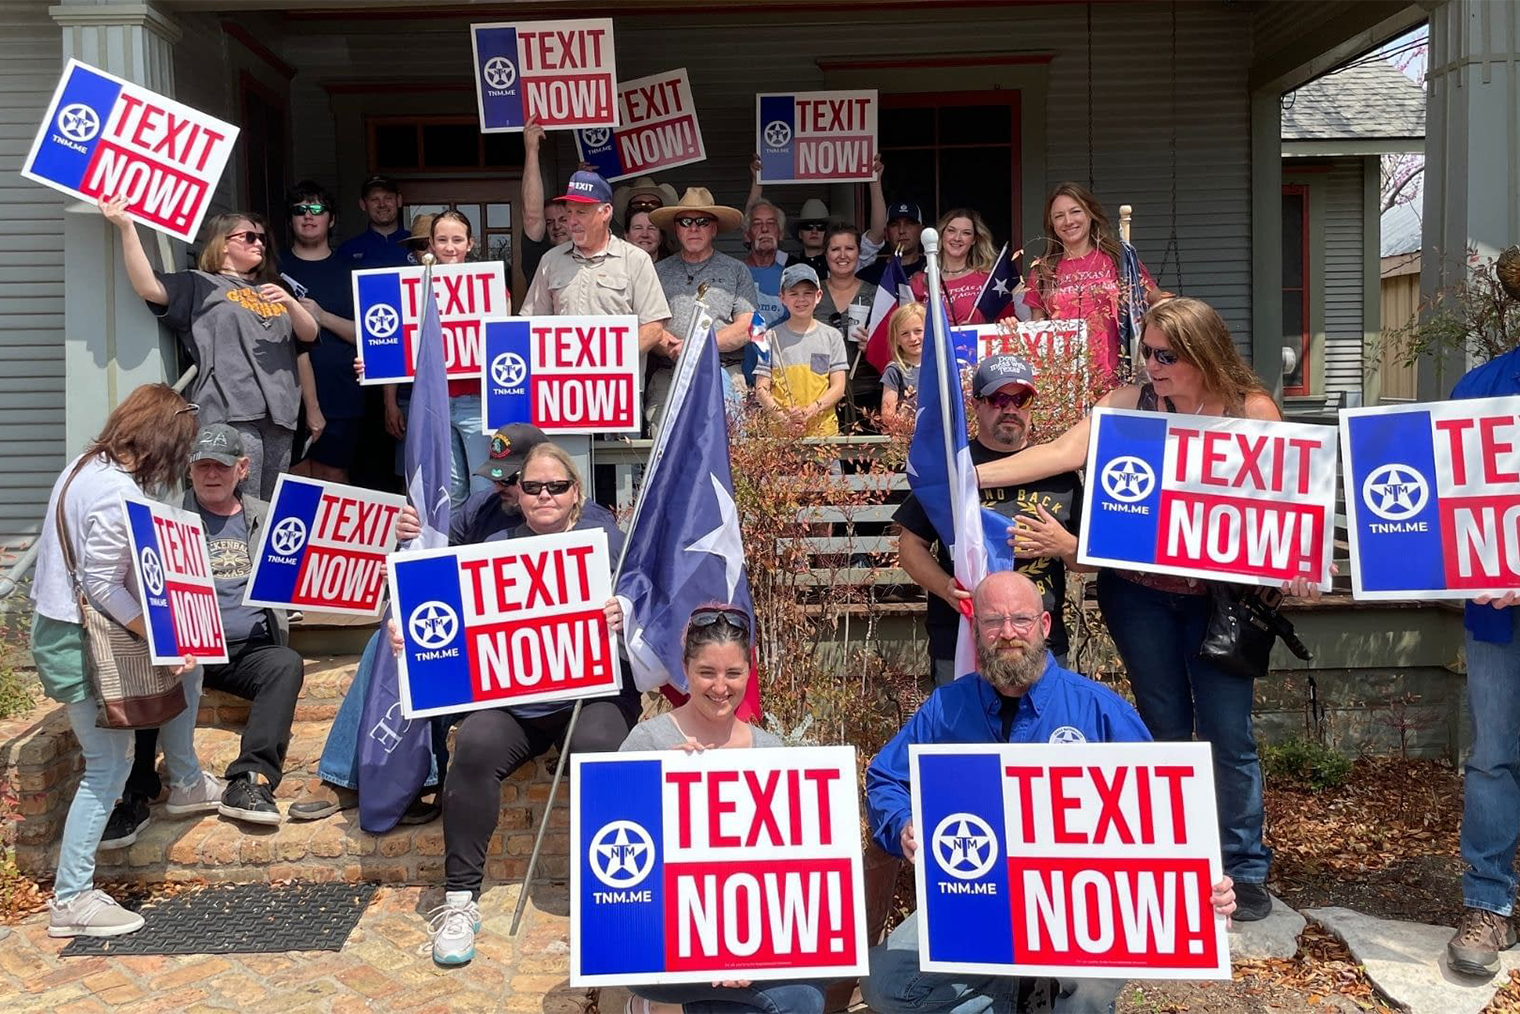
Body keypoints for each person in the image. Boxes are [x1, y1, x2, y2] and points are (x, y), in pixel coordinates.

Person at [974, 297, 1315, 922]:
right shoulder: (1127, 404)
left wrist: (1300, 562)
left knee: (1228, 736)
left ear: (1203, 353)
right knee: (1164, 729)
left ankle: (1242, 868)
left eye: (1166, 355)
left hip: (1221, 606)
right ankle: (1178, 862)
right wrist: (965, 477)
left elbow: (1286, 503)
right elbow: (1058, 454)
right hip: (1139, 598)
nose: (1152, 365)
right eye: (1147, 353)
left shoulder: (1251, 410)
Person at [861, 571, 1239, 1013]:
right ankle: (1020, 996)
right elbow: (886, 778)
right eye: (992, 621)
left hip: (1079, 911)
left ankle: (1042, 993)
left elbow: (1165, 813)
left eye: (1020, 620)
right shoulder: (946, 707)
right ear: (976, 629)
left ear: (1043, 625)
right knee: (886, 982)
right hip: (979, 899)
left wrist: (1202, 885)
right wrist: (903, 824)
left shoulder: (1098, 710)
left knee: (1091, 988)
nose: (1007, 634)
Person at [426, 443, 642, 965]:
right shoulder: (491, 547)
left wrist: (624, 613)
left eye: (557, 486)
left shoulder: (605, 544)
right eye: (533, 486)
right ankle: (460, 901)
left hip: (593, 698)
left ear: (576, 495)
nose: (545, 495)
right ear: (517, 495)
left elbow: (654, 607)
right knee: (474, 745)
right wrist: (407, 638)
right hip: (517, 705)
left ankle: (619, 895)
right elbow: (440, 616)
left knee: (602, 749)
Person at [29, 384, 214, 937]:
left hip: (62, 628)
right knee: (107, 766)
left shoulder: (83, 467)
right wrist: (162, 636)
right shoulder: (115, 492)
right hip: (83, 639)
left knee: (193, 671)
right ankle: (72, 899)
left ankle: (185, 781)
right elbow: (103, 583)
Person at [101, 424, 306, 843]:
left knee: (286, 665)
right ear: (189, 471)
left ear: (243, 469)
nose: (212, 475)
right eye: (202, 466)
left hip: (249, 649)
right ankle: (134, 795)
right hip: (187, 646)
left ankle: (250, 779)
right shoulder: (163, 522)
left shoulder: (271, 518)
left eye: (222, 466)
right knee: (151, 669)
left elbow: (318, 568)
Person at [619, 607, 825, 1014]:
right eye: (706, 672)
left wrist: (746, 945)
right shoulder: (648, 741)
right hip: (665, 937)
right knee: (799, 1002)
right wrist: (658, 782)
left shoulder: (770, 751)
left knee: (799, 996)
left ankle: (659, 1008)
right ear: (685, 670)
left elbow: (783, 869)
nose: (720, 687)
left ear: (749, 672)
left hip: (751, 938)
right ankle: (657, 1001)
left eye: (733, 673)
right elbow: (617, 855)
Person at [103, 196, 319, 500]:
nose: (260, 243)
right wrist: (126, 227)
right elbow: (148, 287)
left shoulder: (274, 291)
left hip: (281, 414)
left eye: (262, 238)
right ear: (223, 244)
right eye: (249, 236)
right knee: (241, 500)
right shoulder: (200, 284)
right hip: (231, 408)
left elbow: (308, 336)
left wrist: (291, 304)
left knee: (270, 506)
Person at [895, 355, 1084, 686]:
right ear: (977, 405)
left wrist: (1064, 545)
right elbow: (910, 545)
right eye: (999, 398)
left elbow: (1092, 560)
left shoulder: (1060, 475)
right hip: (963, 641)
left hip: (1042, 643)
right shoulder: (953, 471)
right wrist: (946, 589)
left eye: (1021, 399)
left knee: (1043, 735)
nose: (1010, 409)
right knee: (964, 736)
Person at [1443, 343, 1520, 977]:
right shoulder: (1481, 388)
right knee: (1493, 756)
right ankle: (1488, 903)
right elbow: (1440, 499)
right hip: (1496, 613)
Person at [380, 210, 498, 505]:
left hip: (477, 403)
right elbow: (393, 346)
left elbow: (504, 344)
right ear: (431, 244)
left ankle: (481, 551)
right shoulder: (412, 289)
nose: (449, 247)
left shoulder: (492, 287)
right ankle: (457, 549)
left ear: (470, 244)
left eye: (457, 240)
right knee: (449, 491)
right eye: (442, 239)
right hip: (433, 402)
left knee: (483, 489)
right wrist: (375, 366)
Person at [520, 171, 675, 366]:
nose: (572, 221)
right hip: (565, 387)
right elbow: (531, 323)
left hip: (617, 388)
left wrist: (612, 362)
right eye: (569, 212)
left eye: (581, 212)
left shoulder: (636, 260)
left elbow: (653, 327)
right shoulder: (551, 260)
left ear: (606, 212)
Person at [1022, 182, 1170, 379]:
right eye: (1059, 216)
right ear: (1051, 224)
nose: (1068, 221)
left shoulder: (1119, 260)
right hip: (1064, 382)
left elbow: (1158, 301)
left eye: (1075, 212)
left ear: (1090, 214)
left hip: (1119, 377)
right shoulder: (1043, 270)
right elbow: (1037, 330)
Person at [649, 188, 760, 416]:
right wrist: (674, 348)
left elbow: (747, 327)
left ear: (714, 229)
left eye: (702, 221)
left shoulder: (737, 270)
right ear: (675, 229)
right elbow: (647, 326)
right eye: (685, 221)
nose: (693, 228)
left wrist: (696, 346)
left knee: (728, 450)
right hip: (669, 374)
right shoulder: (655, 272)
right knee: (664, 449)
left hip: (724, 374)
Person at [280, 181, 361, 483]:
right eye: (300, 210)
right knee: (294, 481)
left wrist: (321, 316)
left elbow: (370, 337)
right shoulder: (273, 267)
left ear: (332, 219)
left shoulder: (350, 270)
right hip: (286, 392)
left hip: (341, 392)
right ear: (290, 220)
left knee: (334, 478)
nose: (308, 216)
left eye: (317, 209)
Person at [746, 155, 889, 278]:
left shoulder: (842, 261)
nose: (814, 231)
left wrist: (875, 182)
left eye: (821, 227)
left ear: (828, 232)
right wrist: (757, 181)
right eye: (808, 226)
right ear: (800, 233)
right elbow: (752, 229)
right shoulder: (785, 262)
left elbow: (877, 234)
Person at [752, 264, 847, 439]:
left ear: (818, 296)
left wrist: (808, 413)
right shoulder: (770, 338)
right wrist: (784, 420)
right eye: (793, 293)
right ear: (782, 298)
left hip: (824, 437)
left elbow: (839, 387)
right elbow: (761, 389)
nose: (801, 299)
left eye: (807, 293)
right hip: (781, 437)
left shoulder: (832, 336)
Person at [816, 225, 881, 425]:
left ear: (859, 253)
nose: (842, 255)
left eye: (849, 248)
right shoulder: (812, 294)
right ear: (825, 253)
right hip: (820, 393)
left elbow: (896, 342)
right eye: (835, 249)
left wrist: (874, 344)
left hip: (867, 392)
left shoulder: (877, 294)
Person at [908, 208, 1001, 326]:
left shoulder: (988, 280)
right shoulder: (918, 281)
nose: (957, 238)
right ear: (942, 235)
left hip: (974, 344)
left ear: (974, 240)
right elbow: (906, 326)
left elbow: (1003, 324)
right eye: (951, 231)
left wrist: (975, 329)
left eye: (966, 233)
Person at [519, 120, 572, 288]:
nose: (557, 226)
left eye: (563, 219)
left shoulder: (591, 253)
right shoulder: (539, 256)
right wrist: (532, 150)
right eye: (549, 222)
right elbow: (532, 217)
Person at [336, 174, 411, 268]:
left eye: (388, 198)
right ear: (363, 204)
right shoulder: (348, 250)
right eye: (374, 199)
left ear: (399, 200)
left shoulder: (418, 245)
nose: (382, 205)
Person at [742, 198, 790, 326]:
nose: (764, 229)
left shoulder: (789, 278)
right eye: (757, 223)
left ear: (781, 233)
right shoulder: (734, 273)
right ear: (747, 235)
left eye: (771, 223)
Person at [858, 201, 925, 285]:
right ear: (886, 233)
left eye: (909, 224)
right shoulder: (868, 276)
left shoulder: (933, 270)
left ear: (921, 231)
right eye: (894, 225)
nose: (901, 230)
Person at [879, 302, 925, 417]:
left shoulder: (941, 366)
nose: (913, 338)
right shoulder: (894, 370)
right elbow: (888, 417)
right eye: (905, 334)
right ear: (897, 339)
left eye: (918, 331)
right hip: (908, 434)